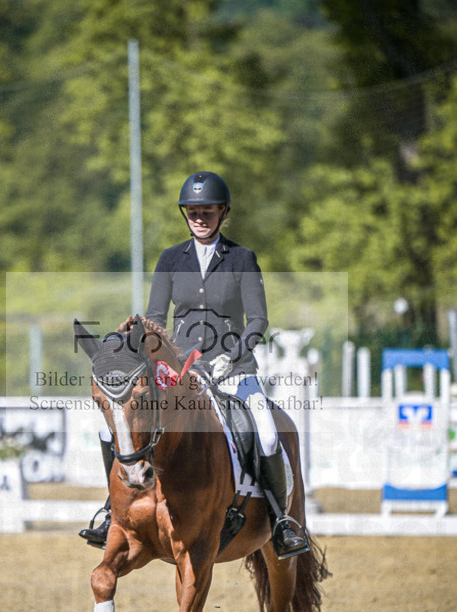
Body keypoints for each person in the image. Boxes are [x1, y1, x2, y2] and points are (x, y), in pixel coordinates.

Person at [79, 170, 309, 559]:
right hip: (180, 373)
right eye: (192, 211)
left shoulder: (241, 259)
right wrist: (138, 342)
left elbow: (258, 321)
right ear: (185, 214)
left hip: (233, 371)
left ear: (223, 212)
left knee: (267, 433)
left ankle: (281, 521)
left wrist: (230, 357)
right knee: (113, 431)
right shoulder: (171, 259)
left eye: (207, 211)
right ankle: (110, 510)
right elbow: (154, 318)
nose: (199, 217)